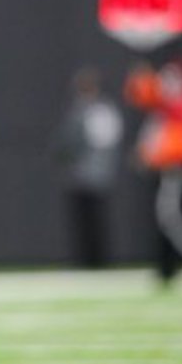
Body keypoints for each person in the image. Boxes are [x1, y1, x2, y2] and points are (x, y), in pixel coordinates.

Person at [125, 59, 182, 285]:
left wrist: (145, 78)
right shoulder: (170, 109)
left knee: (170, 218)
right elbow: (143, 97)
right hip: (171, 169)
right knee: (167, 219)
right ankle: (169, 268)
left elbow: (149, 94)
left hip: (175, 170)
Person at [53, 67, 123, 268]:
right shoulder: (94, 110)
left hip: (89, 175)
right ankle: (89, 259)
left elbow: (73, 142)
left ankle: (95, 260)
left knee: (92, 221)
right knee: (86, 221)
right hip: (88, 174)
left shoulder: (95, 111)